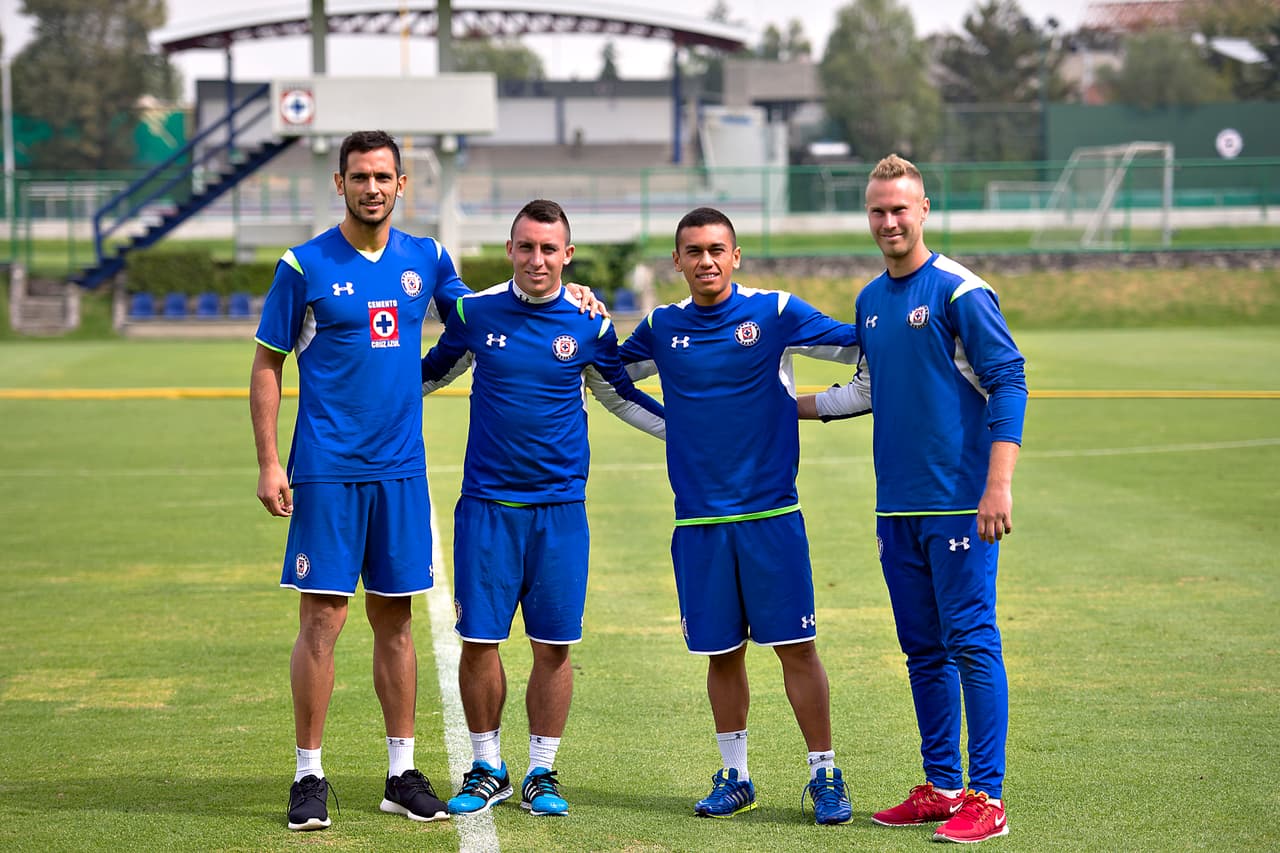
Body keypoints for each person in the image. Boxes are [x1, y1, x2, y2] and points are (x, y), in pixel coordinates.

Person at [799, 153, 1028, 844]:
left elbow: (1009, 380)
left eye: (901, 208)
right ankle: (942, 785)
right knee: (923, 650)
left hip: (959, 501)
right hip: (896, 507)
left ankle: (987, 798)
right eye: (878, 210)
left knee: (972, 642)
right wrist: (782, 407)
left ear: (924, 210)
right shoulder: (871, 300)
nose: (890, 220)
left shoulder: (960, 292)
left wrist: (997, 484)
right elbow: (867, 389)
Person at [420, 199, 665, 818]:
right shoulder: (476, 314)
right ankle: (486, 765)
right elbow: (423, 377)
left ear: (567, 254)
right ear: (510, 249)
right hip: (487, 508)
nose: (537, 259)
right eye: (526, 247)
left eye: (549, 249)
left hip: (560, 511)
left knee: (553, 645)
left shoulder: (590, 324)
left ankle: (541, 771)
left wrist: (693, 432)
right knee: (479, 641)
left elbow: (621, 397)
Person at [616, 206, 860, 826]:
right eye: (693, 251)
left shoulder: (775, 312)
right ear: (677, 261)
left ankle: (825, 773)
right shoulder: (661, 325)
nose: (706, 261)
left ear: (737, 255)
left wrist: (822, 405)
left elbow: (862, 343)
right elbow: (605, 373)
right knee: (721, 654)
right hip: (698, 521)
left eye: (717, 249)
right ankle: (736, 775)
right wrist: (672, 427)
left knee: (797, 649)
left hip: (771, 514)